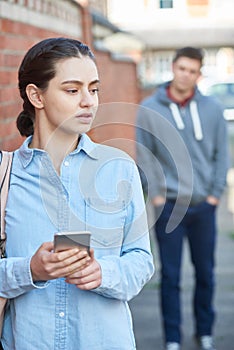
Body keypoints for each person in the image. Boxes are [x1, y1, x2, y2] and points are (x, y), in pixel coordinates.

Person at [0, 37, 154, 350]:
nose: (89, 101)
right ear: (36, 96)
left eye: (93, 89)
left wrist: (103, 273)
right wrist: (29, 269)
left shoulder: (120, 169)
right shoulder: (5, 175)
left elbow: (140, 262)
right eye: (73, 90)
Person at [136, 47, 229, 350]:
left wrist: (215, 195)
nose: (185, 74)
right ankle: (172, 338)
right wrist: (158, 196)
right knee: (171, 277)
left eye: (192, 70)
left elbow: (221, 155)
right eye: (181, 68)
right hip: (170, 207)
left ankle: (205, 331)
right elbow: (145, 155)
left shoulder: (213, 109)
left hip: (204, 206)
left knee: (205, 274)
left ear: (198, 74)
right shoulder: (150, 108)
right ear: (173, 68)